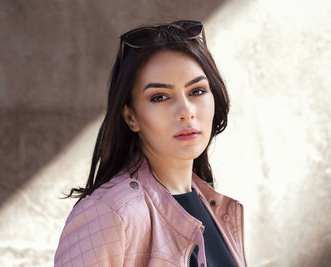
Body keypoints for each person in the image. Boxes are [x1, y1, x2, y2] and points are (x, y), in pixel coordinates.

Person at [54, 20, 246, 267]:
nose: (186, 111)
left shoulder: (215, 208)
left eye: (196, 91)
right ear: (131, 116)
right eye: (160, 97)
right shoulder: (111, 214)